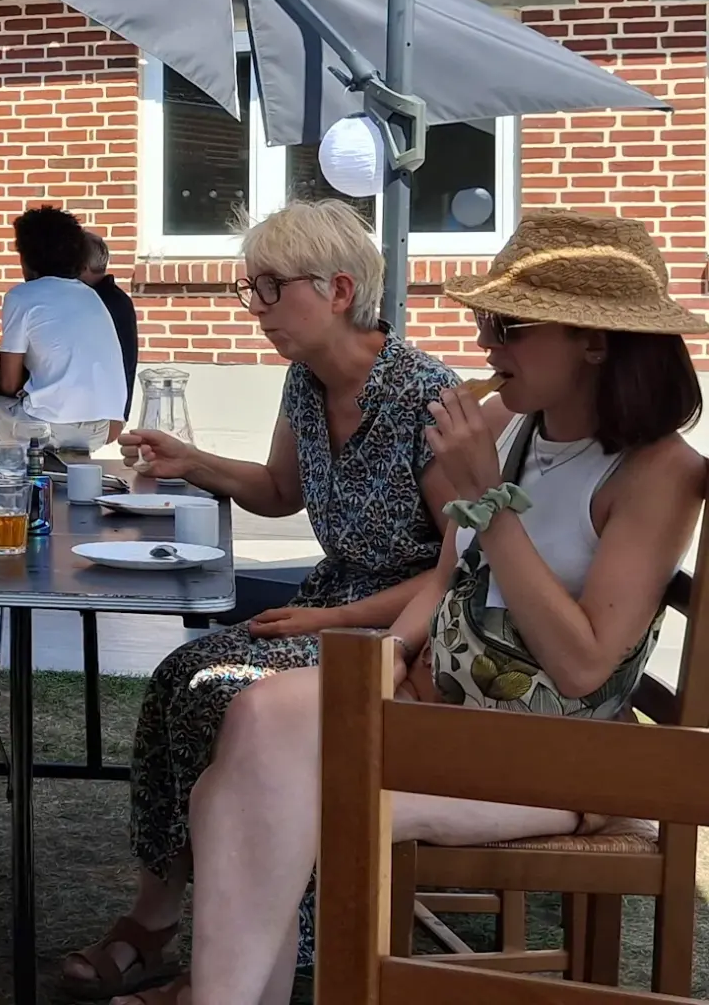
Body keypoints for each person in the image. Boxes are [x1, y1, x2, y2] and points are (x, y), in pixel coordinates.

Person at [140, 212, 706, 1005]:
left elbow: (581, 669)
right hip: (447, 714)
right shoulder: (511, 425)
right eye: (484, 323)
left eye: (507, 327)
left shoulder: (660, 471)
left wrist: (488, 503)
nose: (484, 347)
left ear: (594, 341)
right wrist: (392, 656)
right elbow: (448, 576)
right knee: (255, 722)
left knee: (275, 800)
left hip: (555, 759)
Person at [61, 199, 457, 1002]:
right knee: (181, 674)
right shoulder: (306, 384)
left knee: (224, 691)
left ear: (340, 288)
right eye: (253, 288)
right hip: (331, 605)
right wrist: (189, 460)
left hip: (401, 631)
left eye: (273, 288)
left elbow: (462, 563)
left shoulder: (426, 398)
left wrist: (329, 620)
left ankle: (253, 954)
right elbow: (280, 491)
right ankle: (163, 917)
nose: (259, 309)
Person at [0, 206, 128, 453]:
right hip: (104, 427)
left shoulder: (21, 296)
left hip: (50, 425)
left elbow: (9, 384)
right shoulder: (91, 296)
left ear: (27, 257)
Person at [81, 230, 141, 420]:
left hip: (97, 409)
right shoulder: (117, 298)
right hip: (113, 406)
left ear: (82, 266)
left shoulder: (94, 302)